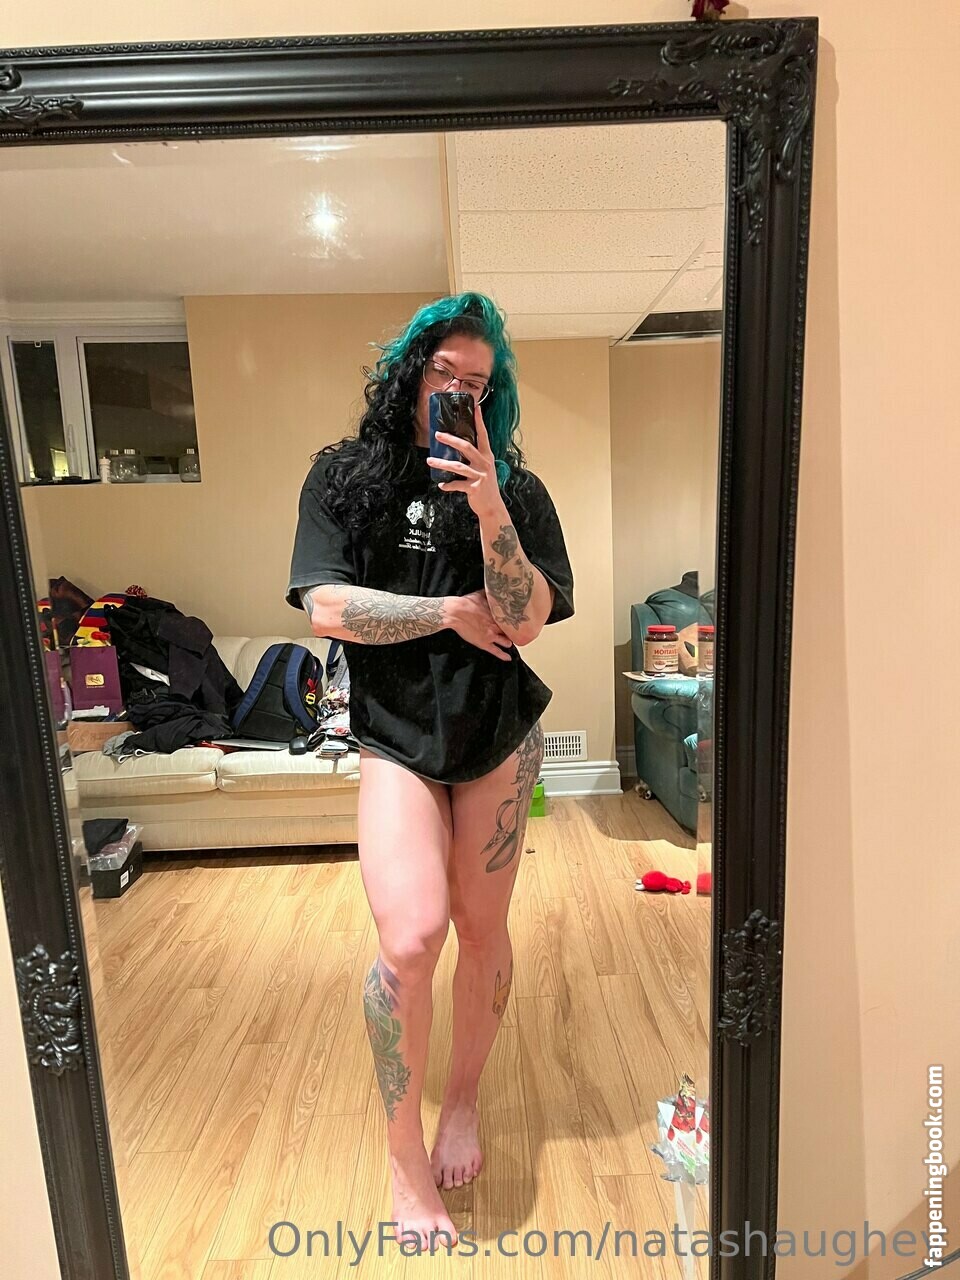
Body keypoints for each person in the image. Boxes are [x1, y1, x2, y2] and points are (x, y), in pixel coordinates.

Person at [285, 291, 574, 1253]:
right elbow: (326, 607)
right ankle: (402, 1152)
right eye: (443, 372)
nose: (457, 392)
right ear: (411, 371)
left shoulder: (520, 493)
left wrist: (490, 501)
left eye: (477, 384)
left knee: (483, 933)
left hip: (497, 732)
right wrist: (445, 613)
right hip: (396, 736)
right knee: (411, 939)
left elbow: (526, 621)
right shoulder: (346, 475)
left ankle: (462, 1102)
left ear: (495, 398)